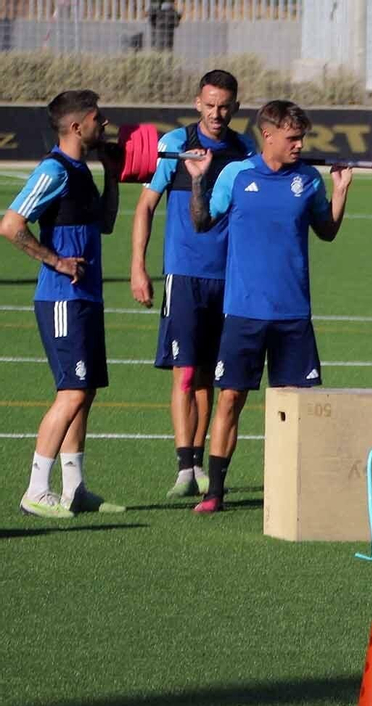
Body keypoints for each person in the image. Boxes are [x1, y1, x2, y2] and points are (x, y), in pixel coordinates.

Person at [185, 99, 352, 513]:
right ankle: (215, 491)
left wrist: (340, 191)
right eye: (293, 138)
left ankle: (295, 487)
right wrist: (198, 180)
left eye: (302, 138)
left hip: (293, 314)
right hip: (244, 312)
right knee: (230, 399)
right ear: (268, 135)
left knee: (296, 407)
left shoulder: (309, 179)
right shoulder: (236, 175)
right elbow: (202, 222)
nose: (300, 145)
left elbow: (327, 231)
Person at [129, 69, 255, 499]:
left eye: (225, 106)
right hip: (183, 273)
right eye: (210, 104)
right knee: (184, 372)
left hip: (229, 277)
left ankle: (199, 463)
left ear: (235, 107)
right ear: (198, 103)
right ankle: (185, 468)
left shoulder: (244, 151)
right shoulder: (174, 145)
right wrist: (138, 267)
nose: (216, 113)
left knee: (210, 373)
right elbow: (146, 206)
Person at [3, 89, 124, 519]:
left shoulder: (81, 170)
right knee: (71, 393)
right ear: (76, 126)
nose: (103, 124)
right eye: (97, 118)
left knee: (84, 393)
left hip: (86, 297)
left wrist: (112, 174)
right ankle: (36, 490)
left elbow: (105, 223)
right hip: (62, 299)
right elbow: (11, 225)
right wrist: (56, 261)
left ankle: (75, 489)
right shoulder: (53, 170)